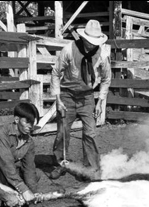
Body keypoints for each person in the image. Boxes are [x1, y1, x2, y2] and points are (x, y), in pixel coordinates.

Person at [49, 19, 112, 179]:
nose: (92, 45)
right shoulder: (69, 49)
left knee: (90, 132)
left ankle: (91, 168)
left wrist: (100, 102)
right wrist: (58, 98)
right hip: (67, 94)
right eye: (90, 41)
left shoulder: (103, 54)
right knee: (63, 131)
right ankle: (60, 163)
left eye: (95, 42)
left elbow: (106, 79)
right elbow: (56, 73)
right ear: (83, 38)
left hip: (87, 96)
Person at [0, 102, 40, 207]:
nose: (30, 126)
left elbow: (29, 168)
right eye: (27, 122)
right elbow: (6, 164)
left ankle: (20, 200)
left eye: (32, 122)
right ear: (16, 119)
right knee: (4, 170)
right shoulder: (1, 134)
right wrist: (23, 189)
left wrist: (33, 192)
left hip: (4, 170)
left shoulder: (29, 141)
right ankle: (1, 202)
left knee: (35, 175)